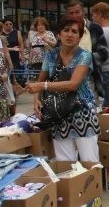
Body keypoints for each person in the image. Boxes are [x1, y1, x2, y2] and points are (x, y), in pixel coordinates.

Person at [25, 17, 101, 162]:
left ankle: (92, 184)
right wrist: (36, 99)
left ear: (79, 38)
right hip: (58, 114)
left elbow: (73, 84)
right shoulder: (51, 55)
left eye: (74, 32)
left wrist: (43, 86)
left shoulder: (85, 56)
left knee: (90, 161)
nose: (70, 34)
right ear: (59, 34)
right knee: (65, 163)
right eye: (66, 30)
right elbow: (40, 80)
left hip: (82, 112)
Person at [65, 0, 109, 98]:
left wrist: (84, 62)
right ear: (67, 15)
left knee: (92, 109)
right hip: (68, 79)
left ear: (83, 12)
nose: (75, 15)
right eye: (71, 13)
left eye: (77, 12)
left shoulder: (95, 28)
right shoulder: (64, 30)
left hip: (91, 78)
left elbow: (104, 53)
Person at [26, 16, 57, 81]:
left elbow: (54, 43)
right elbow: (32, 48)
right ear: (36, 27)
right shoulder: (35, 35)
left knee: (47, 78)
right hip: (36, 62)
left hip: (47, 60)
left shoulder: (49, 33)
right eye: (38, 25)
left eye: (42, 25)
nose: (40, 26)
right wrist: (30, 59)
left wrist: (46, 40)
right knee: (38, 78)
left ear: (45, 26)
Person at [1, 18, 25, 86]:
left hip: (14, 56)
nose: (9, 25)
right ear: (3, 25)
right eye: (6, 24)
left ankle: (14, 90)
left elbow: (21, 44)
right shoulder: (1, 33)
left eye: (10, 24)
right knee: (5, 74)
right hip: (4, 56)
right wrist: (11, 49)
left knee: (14, 74)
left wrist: (22, 56)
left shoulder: (17, 32)